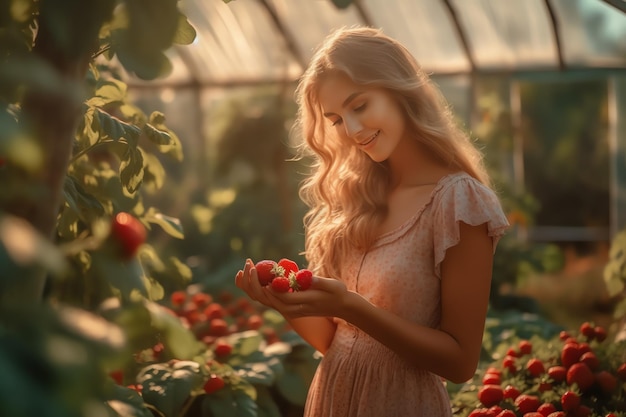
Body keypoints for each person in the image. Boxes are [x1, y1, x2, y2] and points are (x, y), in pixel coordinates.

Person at [235, 26, 509, 417]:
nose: (352, 130)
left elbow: (460, 363)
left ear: (400, 90)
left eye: (359, 105)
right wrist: (288, 305)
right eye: (336, 119)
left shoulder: (458, 201)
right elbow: (335, 341)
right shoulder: (355, 199)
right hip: (331, 398)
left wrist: (352, 306)